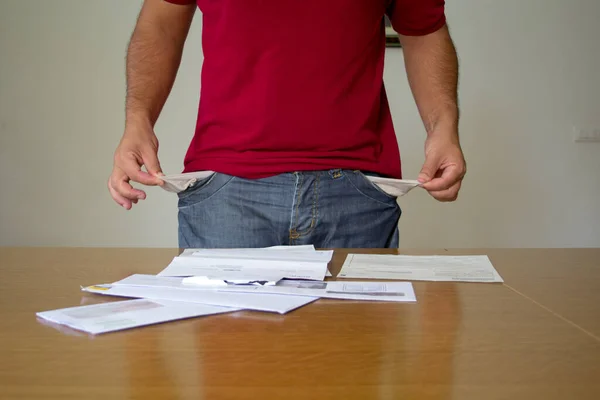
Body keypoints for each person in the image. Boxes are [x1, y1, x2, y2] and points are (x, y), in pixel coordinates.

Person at [108, 0, 466, 248]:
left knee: (355, 356)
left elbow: (424, 31)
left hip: (357, 194)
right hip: (227, 195)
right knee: (231, 358)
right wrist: (138, 119)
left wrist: (443, 127)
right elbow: (160, 24)